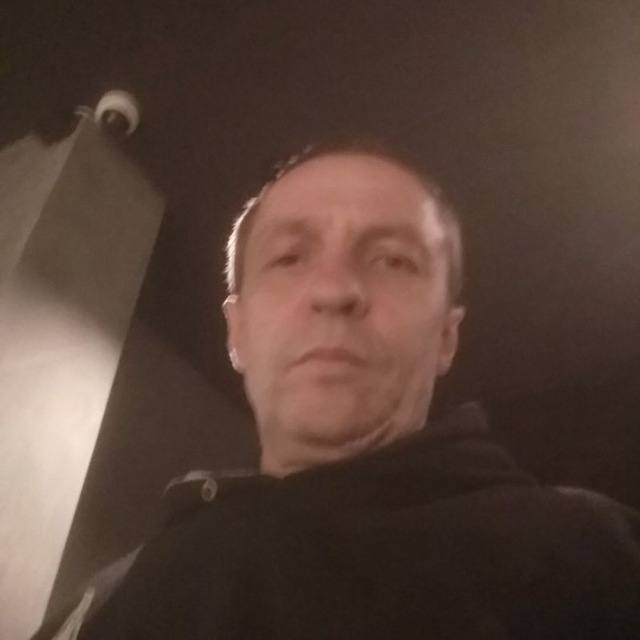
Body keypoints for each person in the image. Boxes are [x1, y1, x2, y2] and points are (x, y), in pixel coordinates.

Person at [33, 141, 640, 640]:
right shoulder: (103, 600)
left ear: (446, 337)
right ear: (237, 332)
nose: (335, 290)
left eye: (394, 260)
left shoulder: (594, 553)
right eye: (289, 258)